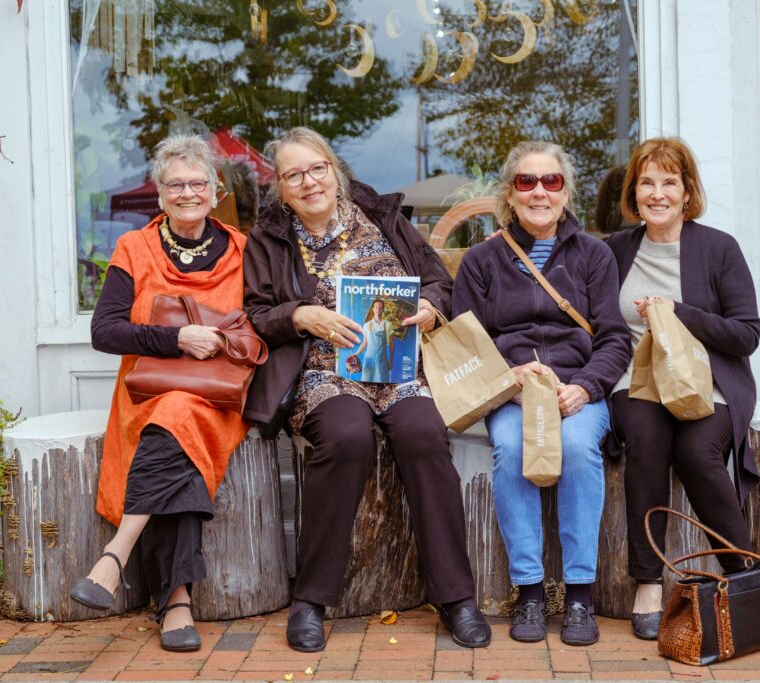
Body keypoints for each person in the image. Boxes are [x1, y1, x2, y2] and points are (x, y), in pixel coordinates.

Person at [242, 126, 491, 653]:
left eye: (317, 168)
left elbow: (439, 281)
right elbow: (258, 314)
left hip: (398, 366)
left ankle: (456, 597)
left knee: (425, 434)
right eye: (294, 175)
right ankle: (311, 599)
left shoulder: (382, 217)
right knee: (347, 436)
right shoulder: (269, 238)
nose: (309, 182)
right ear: (280, 188)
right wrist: (301, 314)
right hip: (325, 371)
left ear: (335, 170)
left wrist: (429, 307)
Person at [69, 134, 250, 652]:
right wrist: (175, 338)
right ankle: (177, 602)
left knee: (179, 419)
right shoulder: (134, 247)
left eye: (198, 183)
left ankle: (116, 555)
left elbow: (261, 324)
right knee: (173, 427)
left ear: (216, 192)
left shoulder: (243, 250)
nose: (187, 192)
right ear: (160, 193)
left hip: (217, 396)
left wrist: (218, 339)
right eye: (176, 184)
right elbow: (104, 331)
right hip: (149, 395)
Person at [452, 141, 631, 647]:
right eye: (526, 182)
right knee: (513, 448)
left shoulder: (594, 255)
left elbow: (615, 337)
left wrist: (586, 387)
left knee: (576, 448)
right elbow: (471, 340)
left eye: (551, 181)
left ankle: (579, 595)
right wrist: (509, 379)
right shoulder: (482, 260)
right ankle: (529, 590)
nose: (539, 192)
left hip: (577, 389)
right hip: (513, 394)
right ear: (510, 193)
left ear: (565, 190)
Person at [606, 137, 760, 641]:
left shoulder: (718, 248)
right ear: (633, 192)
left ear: (687, 191)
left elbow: (747, 334)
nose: (657, 193)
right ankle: (648, 582)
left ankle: (747, 580)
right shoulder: (616, 250)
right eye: (646, 182)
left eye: (669, 182)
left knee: (697, 454)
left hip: (706, 383)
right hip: (637, 382)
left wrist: (681, 313)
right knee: (647, 445)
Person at [356, 298, 394, 382]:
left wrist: (391, 360)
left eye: (380, 308)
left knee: (383, 382)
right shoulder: (367, 325)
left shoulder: (388, 325)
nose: (378, 310)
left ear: (383, 309)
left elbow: (391, 344)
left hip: (382, 360)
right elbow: (364, 343)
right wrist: (356, 354)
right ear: (373, 309)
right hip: (369, 360)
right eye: (376, 308)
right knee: (366, 382)